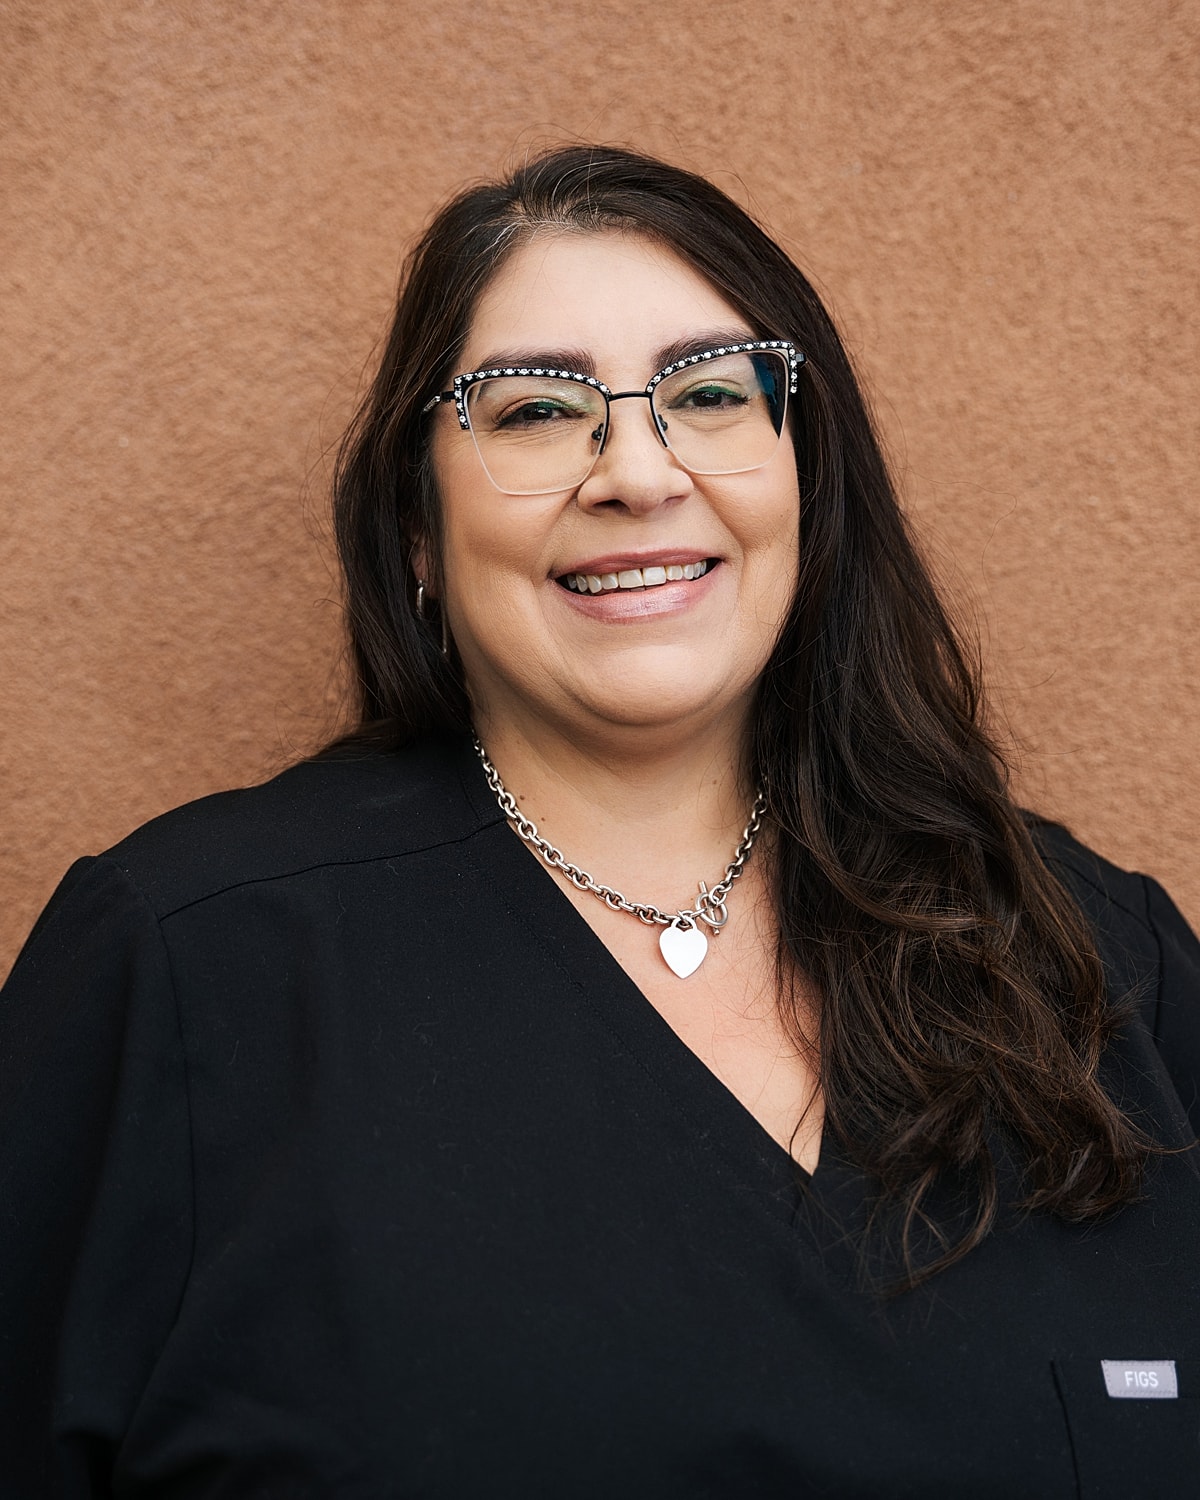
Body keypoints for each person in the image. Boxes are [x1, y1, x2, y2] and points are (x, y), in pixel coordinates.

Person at [1, 145, 1197, 1498]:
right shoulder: (186, 975)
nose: (637, 469)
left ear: (807, 476)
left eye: (707, 394)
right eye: (530, 412)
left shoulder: (1106, 970)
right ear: (416, 529)